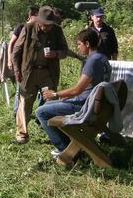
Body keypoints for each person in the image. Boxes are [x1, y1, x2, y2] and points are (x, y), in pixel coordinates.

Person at [37, 29, 110, 157]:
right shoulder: (103, 58)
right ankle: (70, 144)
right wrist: (66, 95)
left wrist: (55, 94)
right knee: (46, 107)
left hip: (85, 105)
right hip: (95, 103)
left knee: (41, 112)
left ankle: (65, 149)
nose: (78, 47)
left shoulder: (92, 61)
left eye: (79, 44)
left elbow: (77, 90)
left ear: (87, 44)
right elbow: (84, 88)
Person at [11, 6, 68, 144]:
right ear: (39, 21)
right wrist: (17, 70)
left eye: (50, 25)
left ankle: (54, 133)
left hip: (48, 73)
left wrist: (56, 54)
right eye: (45, 25)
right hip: (28, 73)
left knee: (51, 102)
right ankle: (22, 134)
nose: (47, 28)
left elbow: (64, 50)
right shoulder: (28, 28)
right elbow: (16, 51)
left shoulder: (57, 31)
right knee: (24, 103)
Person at [3, 6, 39, 82]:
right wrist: (9, 60)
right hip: (19, 58)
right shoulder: (21, 27)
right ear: (30, 16)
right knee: (20, 83)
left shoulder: (38, 28)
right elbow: (12, 43)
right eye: (36, 15)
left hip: (30, 60)